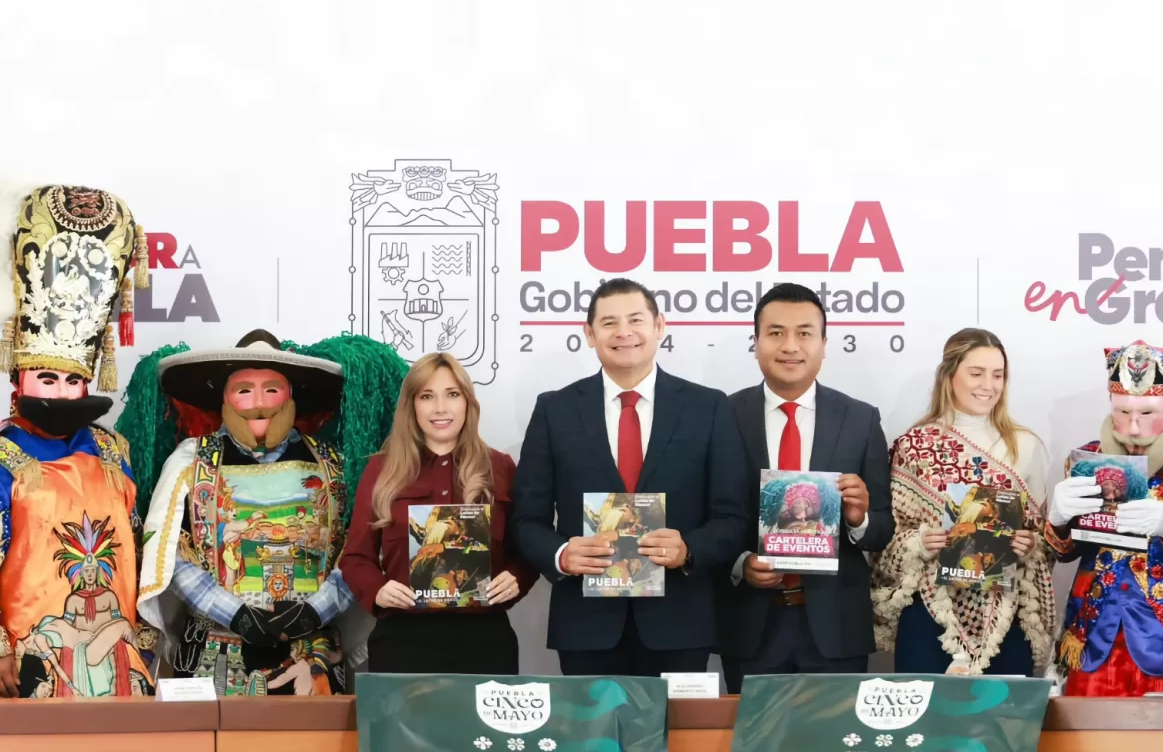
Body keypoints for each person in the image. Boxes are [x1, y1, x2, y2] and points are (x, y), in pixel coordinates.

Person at [127, 329, 406, 695]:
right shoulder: (191, 460)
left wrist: (315, 611)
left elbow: (358, 552)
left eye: (271, 390)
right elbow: (167, 553)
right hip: (215, 650)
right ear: (224, 399)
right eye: (244, 391)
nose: (259, 404)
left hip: (311, 653)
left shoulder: (333, 464)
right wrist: (235, 614)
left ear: (291, 397)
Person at [511, 277, 751, 677]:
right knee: (593, 723)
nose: (624, 332)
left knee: (677, 723)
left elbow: (732, 517)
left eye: (636, 320)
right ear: (589, 334)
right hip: (586, 626)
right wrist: (562, 554)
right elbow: (526, 520)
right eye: (609, 323)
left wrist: (689, 550)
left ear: (660, 326)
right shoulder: (555, 410)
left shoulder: (708, 407)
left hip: (679, 625)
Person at [0, 183, 158, 698]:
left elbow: (137, 549)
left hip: (117, 651)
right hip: (27, 655)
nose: (63, 394)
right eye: (47, 379)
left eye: (74, 381)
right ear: (19, 381)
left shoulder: (112, 451)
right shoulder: (3, 456)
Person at [715, 283, 895, 694]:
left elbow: (883, 528)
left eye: (804, 333)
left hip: (836, 627)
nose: (790, 346)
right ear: (756, 341)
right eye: (776, 333)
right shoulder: (722, 414)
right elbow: (707, 514)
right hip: (750, 624)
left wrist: (859, 519)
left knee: (835, 729)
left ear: (824, 344)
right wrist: (740, 563)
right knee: (757, 730)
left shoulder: (860, 419)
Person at [870, 328, 1056, 676]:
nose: (989, 385)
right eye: (976, 373)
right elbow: (884, 541)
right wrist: (920, 542)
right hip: (930, 613)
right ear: (949, 375)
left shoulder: (1025, 445)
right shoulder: (915, 445)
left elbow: (1047, 540)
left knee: (1003, 710)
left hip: (1006, 617)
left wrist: (1030, 544)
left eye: (998, 375)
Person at [339, 352, 538, 674]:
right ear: (411, 406)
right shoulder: (381, 469)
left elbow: (528, 548)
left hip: (485, 639)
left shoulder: (500, 467)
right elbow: (355, 557)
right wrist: (377, 589)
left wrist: (517, 577)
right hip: (402, 639)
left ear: (468, 402)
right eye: (427, 396)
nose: (440, 408)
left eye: (452, 394)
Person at [1044, 340, 1163, 696]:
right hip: (1092, 636)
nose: (1133, 427)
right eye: (1122, 412)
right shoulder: (1085, 461)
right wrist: (1057, 520)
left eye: (1147, 413)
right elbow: (1062, 553)